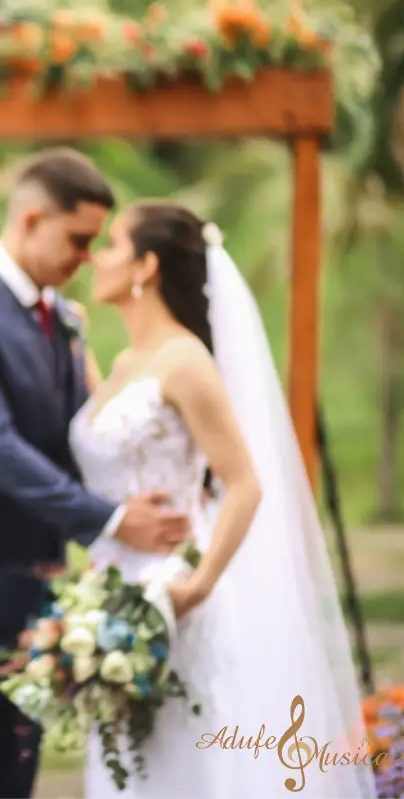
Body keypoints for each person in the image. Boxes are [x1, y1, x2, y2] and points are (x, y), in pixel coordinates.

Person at [0, 148, 192, 799]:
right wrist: (110, 521)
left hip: (44, 595)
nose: (87, 257)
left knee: (10, 781)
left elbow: (79, 438)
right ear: (30, 219)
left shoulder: (67, 321)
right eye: (78, 239)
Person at [73, 200, 375, 797]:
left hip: (173, 592)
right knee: (128, 765)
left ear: (146, 266)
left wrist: (198, 584)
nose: (97, 257)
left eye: (112, 244)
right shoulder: (130, 362)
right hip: (111, 589)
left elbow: (245, 482)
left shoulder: (185, 362)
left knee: (175, 764)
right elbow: (108, 450)